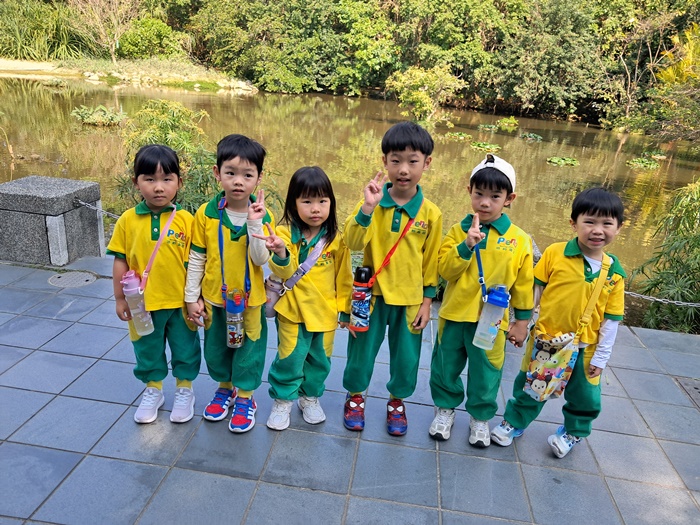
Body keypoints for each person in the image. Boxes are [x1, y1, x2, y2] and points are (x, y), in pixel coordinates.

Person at [490, 187, 625, 457]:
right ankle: (514, 422)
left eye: (607, 223)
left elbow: (611, 320)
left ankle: (573, 432)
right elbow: (535, 292)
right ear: (573, 223)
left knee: (585, 395)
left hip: (587, 347)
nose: (597, 230)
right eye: (589, 222)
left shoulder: (615, 272)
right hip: (547, 340)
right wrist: (521, 323)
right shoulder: (555, 253)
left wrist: (602, 357)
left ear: (618, 227)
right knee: (532, 385)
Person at [341, 121, 443, 436]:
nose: (403, 169)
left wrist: (427, 302)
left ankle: (397, 401)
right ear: (384, 161)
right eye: (396, 160)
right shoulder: (371, 203)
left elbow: (431, 262)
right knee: (360, 352)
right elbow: (352, 242)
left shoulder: (431, 214)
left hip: (410, 300)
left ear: (427, 163)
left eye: (413, 161)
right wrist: (366, 209)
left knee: (406, 358)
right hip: (369, 297)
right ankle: (355, 396)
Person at [428, 154, 534, 447]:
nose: (485, 203)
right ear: (469, 192)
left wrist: (522, 321)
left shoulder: (518, 239)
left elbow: (524, 284)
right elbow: (444, 270)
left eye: (495, 196)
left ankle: (480, 418)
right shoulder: (457, 231)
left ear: (509, 199)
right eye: (479, 194)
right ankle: (445, 410)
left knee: (487, 371)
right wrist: (465, 245)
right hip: (454, 315)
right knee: (445, 366)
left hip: (492, 320)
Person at [185, 134, 273, 433]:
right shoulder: (206, 214)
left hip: (250, 301)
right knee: (216, 348)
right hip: (215, 298)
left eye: (248, 175)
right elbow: (197, 257)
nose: (238, 181)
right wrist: (191, 297)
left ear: (259, 178)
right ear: (217, 173)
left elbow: (261, 259)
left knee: (249, 350)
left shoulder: (263, 214)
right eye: (230, 173)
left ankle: (246, 396)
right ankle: (225, 388)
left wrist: (255, 222)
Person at [107, 144, 201, 424]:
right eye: (150, 179)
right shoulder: (127, 220)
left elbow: (197, 263)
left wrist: (197, 298)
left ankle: (185, 390)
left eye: (166, 179)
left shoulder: (187, 220)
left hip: (180, 303)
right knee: (147, 348)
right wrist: (119, 298)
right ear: (136, 182)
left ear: (179, 183)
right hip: (142, 304)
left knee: (185, 348)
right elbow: (120, 261)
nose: (158, 187)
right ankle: (153, 389)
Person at [254, 166, 352, 430]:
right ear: (293, 203)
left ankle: (309, 397)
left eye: (322, 201)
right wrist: (281, 252)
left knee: (320, 361)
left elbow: (344, 277)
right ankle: (283, 399)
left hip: (325, 313)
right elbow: (284, 272)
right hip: (293, 312)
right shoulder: (285, 234)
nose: (315, 209)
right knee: (289, 358)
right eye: (306, 201)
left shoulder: (336, 239)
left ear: (331, 203)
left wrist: (345, 310)